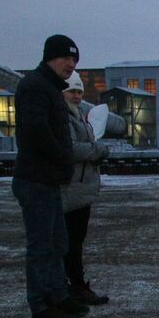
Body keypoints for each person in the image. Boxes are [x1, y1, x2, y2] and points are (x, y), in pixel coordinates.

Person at [12, 34, 88, 318]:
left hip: (48, 179)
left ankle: (59, 296)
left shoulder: (49, 87)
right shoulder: (35, 87)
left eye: (74, 60)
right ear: (50, 57)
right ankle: (41, 306)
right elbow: (36, 131)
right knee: (42, 245)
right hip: (36, 179)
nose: (71, 64)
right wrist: (63, 156)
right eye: (66, 58)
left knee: (58, 241)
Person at [61, 72, 110, 305]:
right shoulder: (65, 117)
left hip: (80, 190)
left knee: (75, 241)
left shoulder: (78, 115)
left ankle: (73, 285)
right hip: (71, 189)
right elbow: (70, 149)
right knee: (70, 242)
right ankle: (74, 287)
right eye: (72, 91)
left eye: (79, 91)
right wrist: (98, 150)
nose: (77, 95)